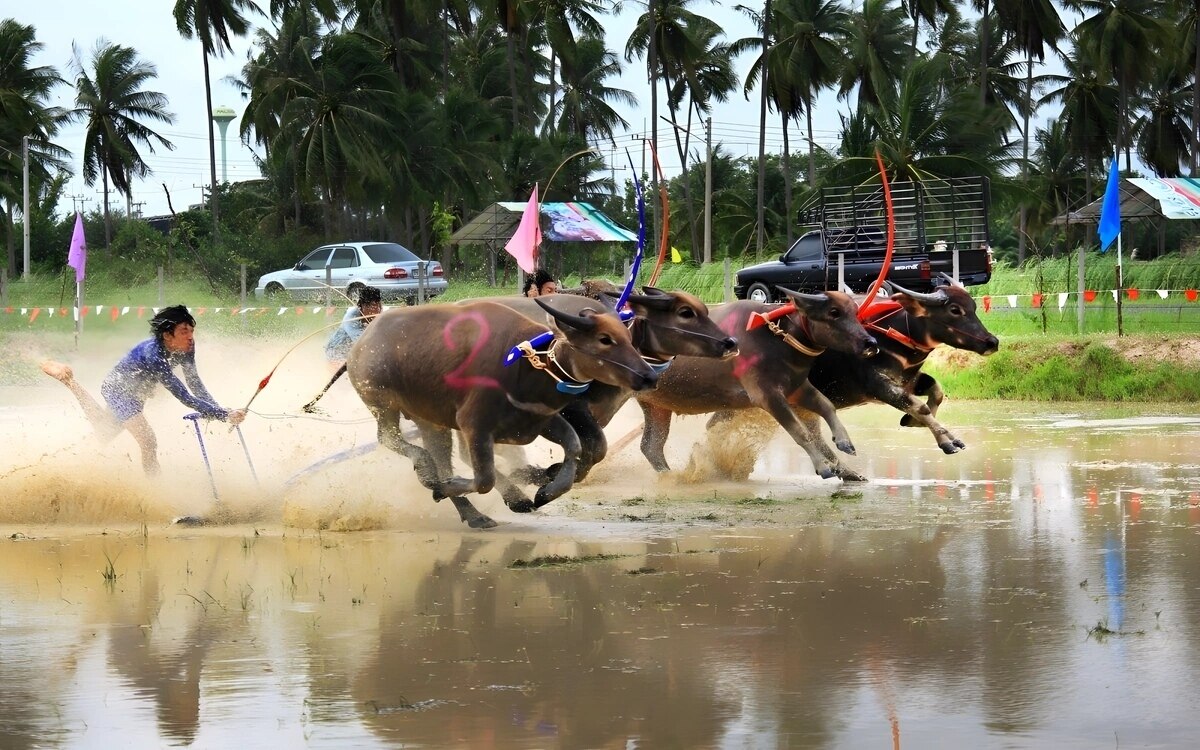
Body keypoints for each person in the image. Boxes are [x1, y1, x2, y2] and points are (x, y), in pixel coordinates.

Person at [40, 305, 246, 475]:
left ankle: (69, 381)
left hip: (137, 393)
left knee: (104, 432)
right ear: (167, 335)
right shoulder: (153, 355)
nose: (190, 337)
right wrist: (223, 415)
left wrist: (220, 410)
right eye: (184, 332)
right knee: (149, 441)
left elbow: (195, 384)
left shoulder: (187, 347)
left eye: (192, 331)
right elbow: (184, 395)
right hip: (118, 390)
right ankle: (157, 495)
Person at [325, 286, 383, 365]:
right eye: (373, 306)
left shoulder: (378, 310)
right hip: (336, 352)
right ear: (363, 306)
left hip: (352, 353)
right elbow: (363, 343)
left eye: (378, 305)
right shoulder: (351, 319)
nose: (378, 310)